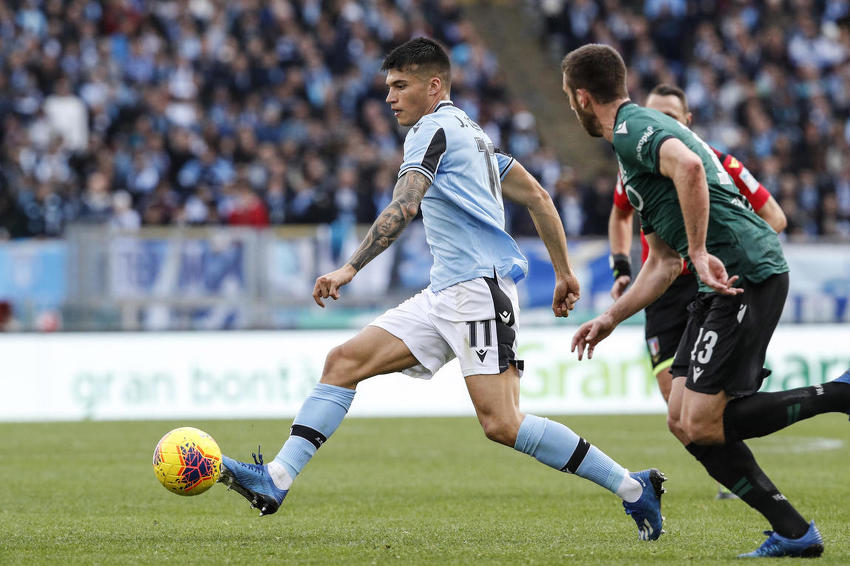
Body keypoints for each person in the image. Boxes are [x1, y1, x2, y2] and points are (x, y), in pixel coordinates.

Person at [219, 37, 667, 542]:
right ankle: (277, 478)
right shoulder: (473, 135)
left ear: (434, 86)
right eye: (388, 86)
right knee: (343, 362)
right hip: (446, 292)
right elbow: (538, 196)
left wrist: (350, 268)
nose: (390, 97)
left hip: (478, 291)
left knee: (502, 423)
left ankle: (633, 487)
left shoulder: (430, 131)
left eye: (400, 85)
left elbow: (405, 204)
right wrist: (563, 272)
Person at [562, 43, 850, 558]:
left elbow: (691, 167)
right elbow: (663, 261)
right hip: (718, 280)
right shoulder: (629, 157)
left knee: (699, 422)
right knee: (682, 419)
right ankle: (794, 531)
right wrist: (610, 317)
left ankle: (841, 396)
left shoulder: (633, 130)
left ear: (582, 97)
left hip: (744, 271)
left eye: (569, 99)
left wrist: (699, 251)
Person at [608, 84, 787, 500]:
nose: (660, 123)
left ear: (687, 121)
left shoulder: (718, 163)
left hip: (707, 282)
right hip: (663, 293)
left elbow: (774, 217)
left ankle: (752, 489)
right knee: (678, 408)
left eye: (671, 116)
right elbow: (619, 215)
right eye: (654, 114)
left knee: (700, 410)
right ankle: (748, 485)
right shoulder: (633, 169)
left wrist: (719, 249)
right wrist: (620, 264)